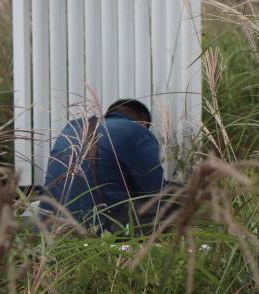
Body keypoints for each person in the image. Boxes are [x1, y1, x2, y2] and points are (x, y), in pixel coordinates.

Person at [43, 99, 172, 234]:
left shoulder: (72, 128)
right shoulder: (136, 130)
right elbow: (156, 192)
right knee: (177, 201)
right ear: (144, 123)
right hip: (99, 233)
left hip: (50, 232)